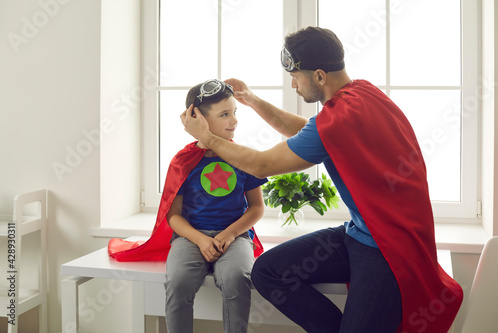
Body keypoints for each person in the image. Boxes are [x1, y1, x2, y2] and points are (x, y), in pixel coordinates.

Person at [181, 27, 463, 333]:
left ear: (318, 76)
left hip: (386, 247)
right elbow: (309, 131)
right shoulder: (363, 94)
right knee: (268, 272)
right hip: (358, 233)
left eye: (296, 76)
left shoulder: (338, 120)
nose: (293, 84)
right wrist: (252, 100)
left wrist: (206, 138)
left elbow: (261, 165)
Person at [108, 79, 267, 333]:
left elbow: (257, 208)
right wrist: (201, 240)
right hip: (190, 237)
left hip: (235, 237)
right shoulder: (182, 161)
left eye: (234, 112)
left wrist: (229, 234)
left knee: (237, 279)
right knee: (179, 281)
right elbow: (174, 217)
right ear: (198, 119)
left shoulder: (244, 157)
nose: (234, 120)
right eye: (225, 114)